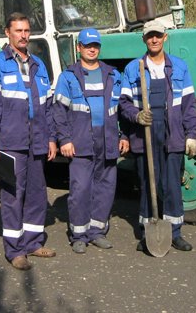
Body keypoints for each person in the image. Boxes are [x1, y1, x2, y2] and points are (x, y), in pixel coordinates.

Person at [0, 12, 58, 271]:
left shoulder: (38, 64)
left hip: (37, 141)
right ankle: (15, 250)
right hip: (11, 142)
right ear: (8, 33)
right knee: (13, 196)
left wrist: (50, 138)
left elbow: (47, 106)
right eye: (19, 31)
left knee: (37, 195)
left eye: (27, 31)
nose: (24, 35)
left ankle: (33, 243)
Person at [119, 19, 196, 253]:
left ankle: (174, 233)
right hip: (145, 133)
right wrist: (136, 116)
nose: (154, 39)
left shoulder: (180, 68)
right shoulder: (134, 68)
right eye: (149, 36)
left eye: (158, 35)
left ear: (165, 38)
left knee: (172, 184)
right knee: (147, 183)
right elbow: (123, 103)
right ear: (144, 39)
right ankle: (147, 232)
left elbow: (188, 104)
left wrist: (191, 134)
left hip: (172, 132)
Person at [51, 28, 130, 254]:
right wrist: (64, 139)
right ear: (79, 48)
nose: (92, 49)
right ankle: (78, 235)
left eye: (95, 45)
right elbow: (59, 111)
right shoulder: (68, 77)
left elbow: (122, 110)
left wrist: (124, 136)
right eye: (87, 46)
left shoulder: (114, 75)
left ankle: (97, 232)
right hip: (80, 140)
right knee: (80, 189)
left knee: (105, 189)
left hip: (107, 140)